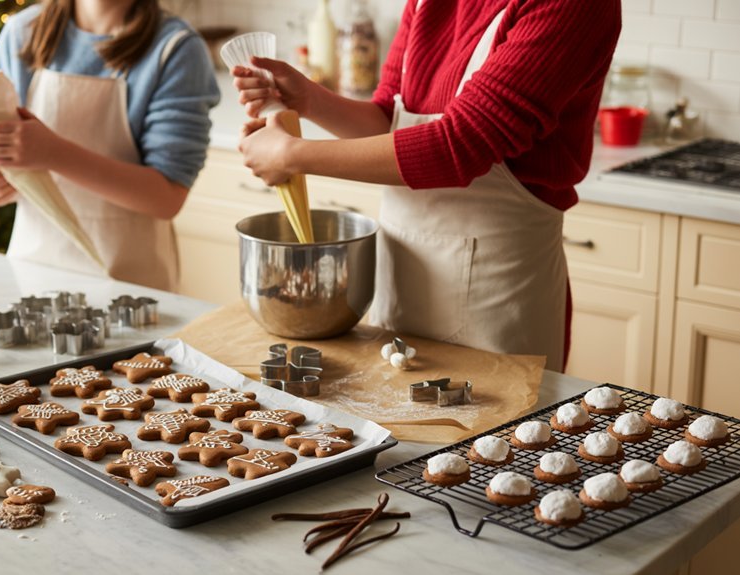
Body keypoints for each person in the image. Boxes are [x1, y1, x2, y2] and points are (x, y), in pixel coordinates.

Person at [230, 0, 621, 371]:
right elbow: (390, 118)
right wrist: (310, 99)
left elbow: (460, 144)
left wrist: (292, 155)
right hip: (402, 287)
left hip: (498, 299)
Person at [0, 0, 219, 291]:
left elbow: (167, 197)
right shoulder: (21, 33)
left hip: (132, 291)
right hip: (33, 278)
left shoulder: (176, 49)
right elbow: (5, 168)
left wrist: (52, 153)